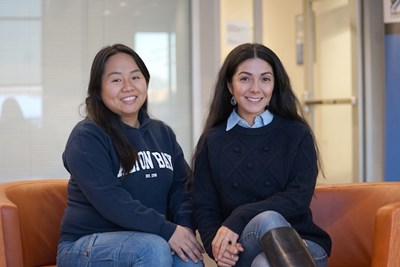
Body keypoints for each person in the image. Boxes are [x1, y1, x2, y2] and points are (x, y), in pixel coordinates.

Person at [57, 43, 204, 267]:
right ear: (98, 89)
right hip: (85, 246)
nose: (128, 87)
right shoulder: (87, 136)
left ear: (146, 82)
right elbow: (110, 200)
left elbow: (182, 187)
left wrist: (183, 228)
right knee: (152, 248)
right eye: (116, 80)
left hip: (149, 239)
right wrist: (167, 230)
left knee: (188, 259)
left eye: (135, 77)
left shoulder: (162, 133)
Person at [191, 43, 332, 267]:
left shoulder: (296, 133)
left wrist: (239, 216)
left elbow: (298, 197)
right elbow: (204, 206)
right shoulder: (213, 141)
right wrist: (215, 248)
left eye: (265, 79)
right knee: (266, 223)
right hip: (242, 246)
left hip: (303, 243)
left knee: (264, 261)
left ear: (275, 86)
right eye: (245, 79)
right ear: (230, 85)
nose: (255, 88)